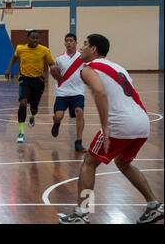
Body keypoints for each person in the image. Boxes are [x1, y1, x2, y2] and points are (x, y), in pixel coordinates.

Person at [59, 34, 163, 224]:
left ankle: (81, 214)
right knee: (123, 163)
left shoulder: (89, 68)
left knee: (89, 163)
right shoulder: (118, 67)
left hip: (120, 123)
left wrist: (106, 128)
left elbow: (100, 92)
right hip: (142, 121)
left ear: (94, 49)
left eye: (85, 44)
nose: (81, 48)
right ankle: (154, 205)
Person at [4, 30, 59, 143]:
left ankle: (32, 115)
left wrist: (54, 69)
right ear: (28, 38)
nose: (35, 40)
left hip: (38, 81)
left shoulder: (44, 50)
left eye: (37, 38)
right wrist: (9, 69)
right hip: (24, 79)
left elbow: (51, 63)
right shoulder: (20, 48)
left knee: (34, 107)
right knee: (23, 102)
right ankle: (21, 132)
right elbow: (14, 57)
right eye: (33, 38)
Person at [51, 33, 86, 152]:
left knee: (79, 112)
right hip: (62, 92)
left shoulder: (82, 57)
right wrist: (54, 73)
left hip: (78, 91)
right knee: (58, 116)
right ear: (64, 43)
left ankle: (78, 142)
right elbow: (56, 76)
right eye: (67, 41)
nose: (69, 43)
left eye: (71, 41)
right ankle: (56, 123)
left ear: (76, 43)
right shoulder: (59, 59)